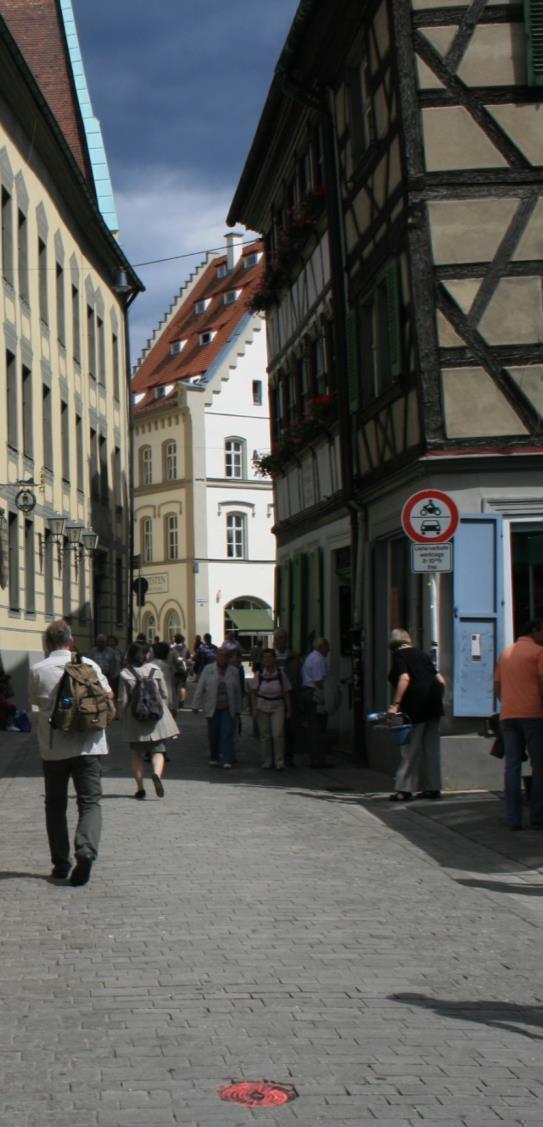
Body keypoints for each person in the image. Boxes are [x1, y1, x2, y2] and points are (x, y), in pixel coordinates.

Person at [28, 619, 113, 885]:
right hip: (90, 744)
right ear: (71, 641)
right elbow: (108, 696)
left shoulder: (38, 670)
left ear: (47, 643)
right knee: (89, 802)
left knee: (55, 805)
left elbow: (34, 701)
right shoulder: (91, 666)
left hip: (54, 749)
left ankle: (61, 863)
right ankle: (86, 849)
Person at [494, 620, 543, 830]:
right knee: (539, 766)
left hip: (509, 715)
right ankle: (538, 816)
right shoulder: (539, 652)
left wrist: (507, 704)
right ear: (534, 631)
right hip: (534, 714)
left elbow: (497, 685)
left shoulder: (506, 653)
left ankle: (513, 818)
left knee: (512, 766)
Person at [387, 628, 445, 802]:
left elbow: (404, 678)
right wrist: (435, 700)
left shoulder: (399, 656)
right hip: (433, 707)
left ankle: (404, 789)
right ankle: (433, 787)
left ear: (393, 643)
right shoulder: (423, 655)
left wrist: (395, 705)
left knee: (410, 749)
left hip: (414, 708)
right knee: (431, 749)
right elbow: (440, 680)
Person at [118, 640, 179, 799]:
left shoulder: (126, 673)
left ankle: (140, 788)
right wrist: (164, 710)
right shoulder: (155, 669)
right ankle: (157, 774)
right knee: (158, 751)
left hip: (136, 719)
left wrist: (122, 717)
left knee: (137, 754)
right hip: (155, 719)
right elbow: (164, 694)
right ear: (146, 654)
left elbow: (123, 700)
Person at [192, 645, 241, 769]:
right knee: (213, 734)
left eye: (225, 656)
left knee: (227, 733)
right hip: (212, 706)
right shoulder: (208, 669)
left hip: (227, 706)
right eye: (220, 655)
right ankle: (214, 757)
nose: (222, 658)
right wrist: (195, 704)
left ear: (229, 658)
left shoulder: (234, 671)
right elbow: (200, 687)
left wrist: (238, 709)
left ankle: (227, 759)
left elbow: (238, 692)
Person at [252, 648, 292, 770]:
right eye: (265, 657)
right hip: (262, 706)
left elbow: (286, 692)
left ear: (274, 659)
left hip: (277, 706)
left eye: (270, 657)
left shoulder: (280, 674)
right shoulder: (259, 674)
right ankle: (267, 760)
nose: (267, 660)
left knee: (278, 734)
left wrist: (289, 710)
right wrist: (254, 708)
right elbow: (253, 692)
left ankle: (279, 761)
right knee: (265, 735)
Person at [301, 638, 332, 768]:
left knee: (314, 727)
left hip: (309, 693)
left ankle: (316, 758)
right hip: (315, 694)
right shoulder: (318, 659)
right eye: (327, 647)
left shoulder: (311, 657)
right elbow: (319, 681)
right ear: (321, 647)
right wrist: (329, 694)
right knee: (318, 727)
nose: (329, 650)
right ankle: (317, 759)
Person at [274, 628, 302, 767]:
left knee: (291, 729)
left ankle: (288, 756)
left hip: (291, 696)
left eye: (283, 638)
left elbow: (299, 677)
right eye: (279, 638)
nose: (281, 641)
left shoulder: (294, 657)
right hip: (274, 697)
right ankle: (276, 756)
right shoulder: (270, 656)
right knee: (276, 729)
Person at [168, 633, 189, 708]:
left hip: (175, 670)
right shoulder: (186, 648)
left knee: (173, 686)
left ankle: (174, 702)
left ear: (175, 640)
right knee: (182, 686)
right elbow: (188, 658)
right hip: (184, 669)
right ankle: (182, 702)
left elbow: (170, 660)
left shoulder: (172, 649)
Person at [106, 634, 122, 699]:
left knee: (116, 693)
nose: (111, 643)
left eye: (113, 641)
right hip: (108, 675)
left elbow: (121, 662)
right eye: (109, 641)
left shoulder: (119, 652)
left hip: (117, 675)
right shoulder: (106, 651)